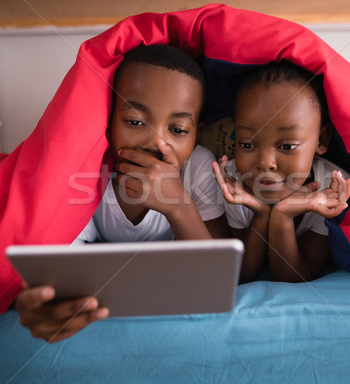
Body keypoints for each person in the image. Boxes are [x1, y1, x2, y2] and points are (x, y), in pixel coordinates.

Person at [15, 44, 227, 342]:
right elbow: (59, 260)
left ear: (196, 134)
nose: (156, 142)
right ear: (109, 120)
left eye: (178, 130)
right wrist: (51, 305)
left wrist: (178, 205)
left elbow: (217, 273)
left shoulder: (199, 165)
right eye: (135, 122)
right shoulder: (87, 171)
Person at [212, 61, 350, 284]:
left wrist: (283, 217)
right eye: (247, 145)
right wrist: (260, 214)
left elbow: (296, 277)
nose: (265, 163)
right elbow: (242, 274)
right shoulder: (233, 182)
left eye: (287, 146)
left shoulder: (331, 186)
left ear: (322, 140)